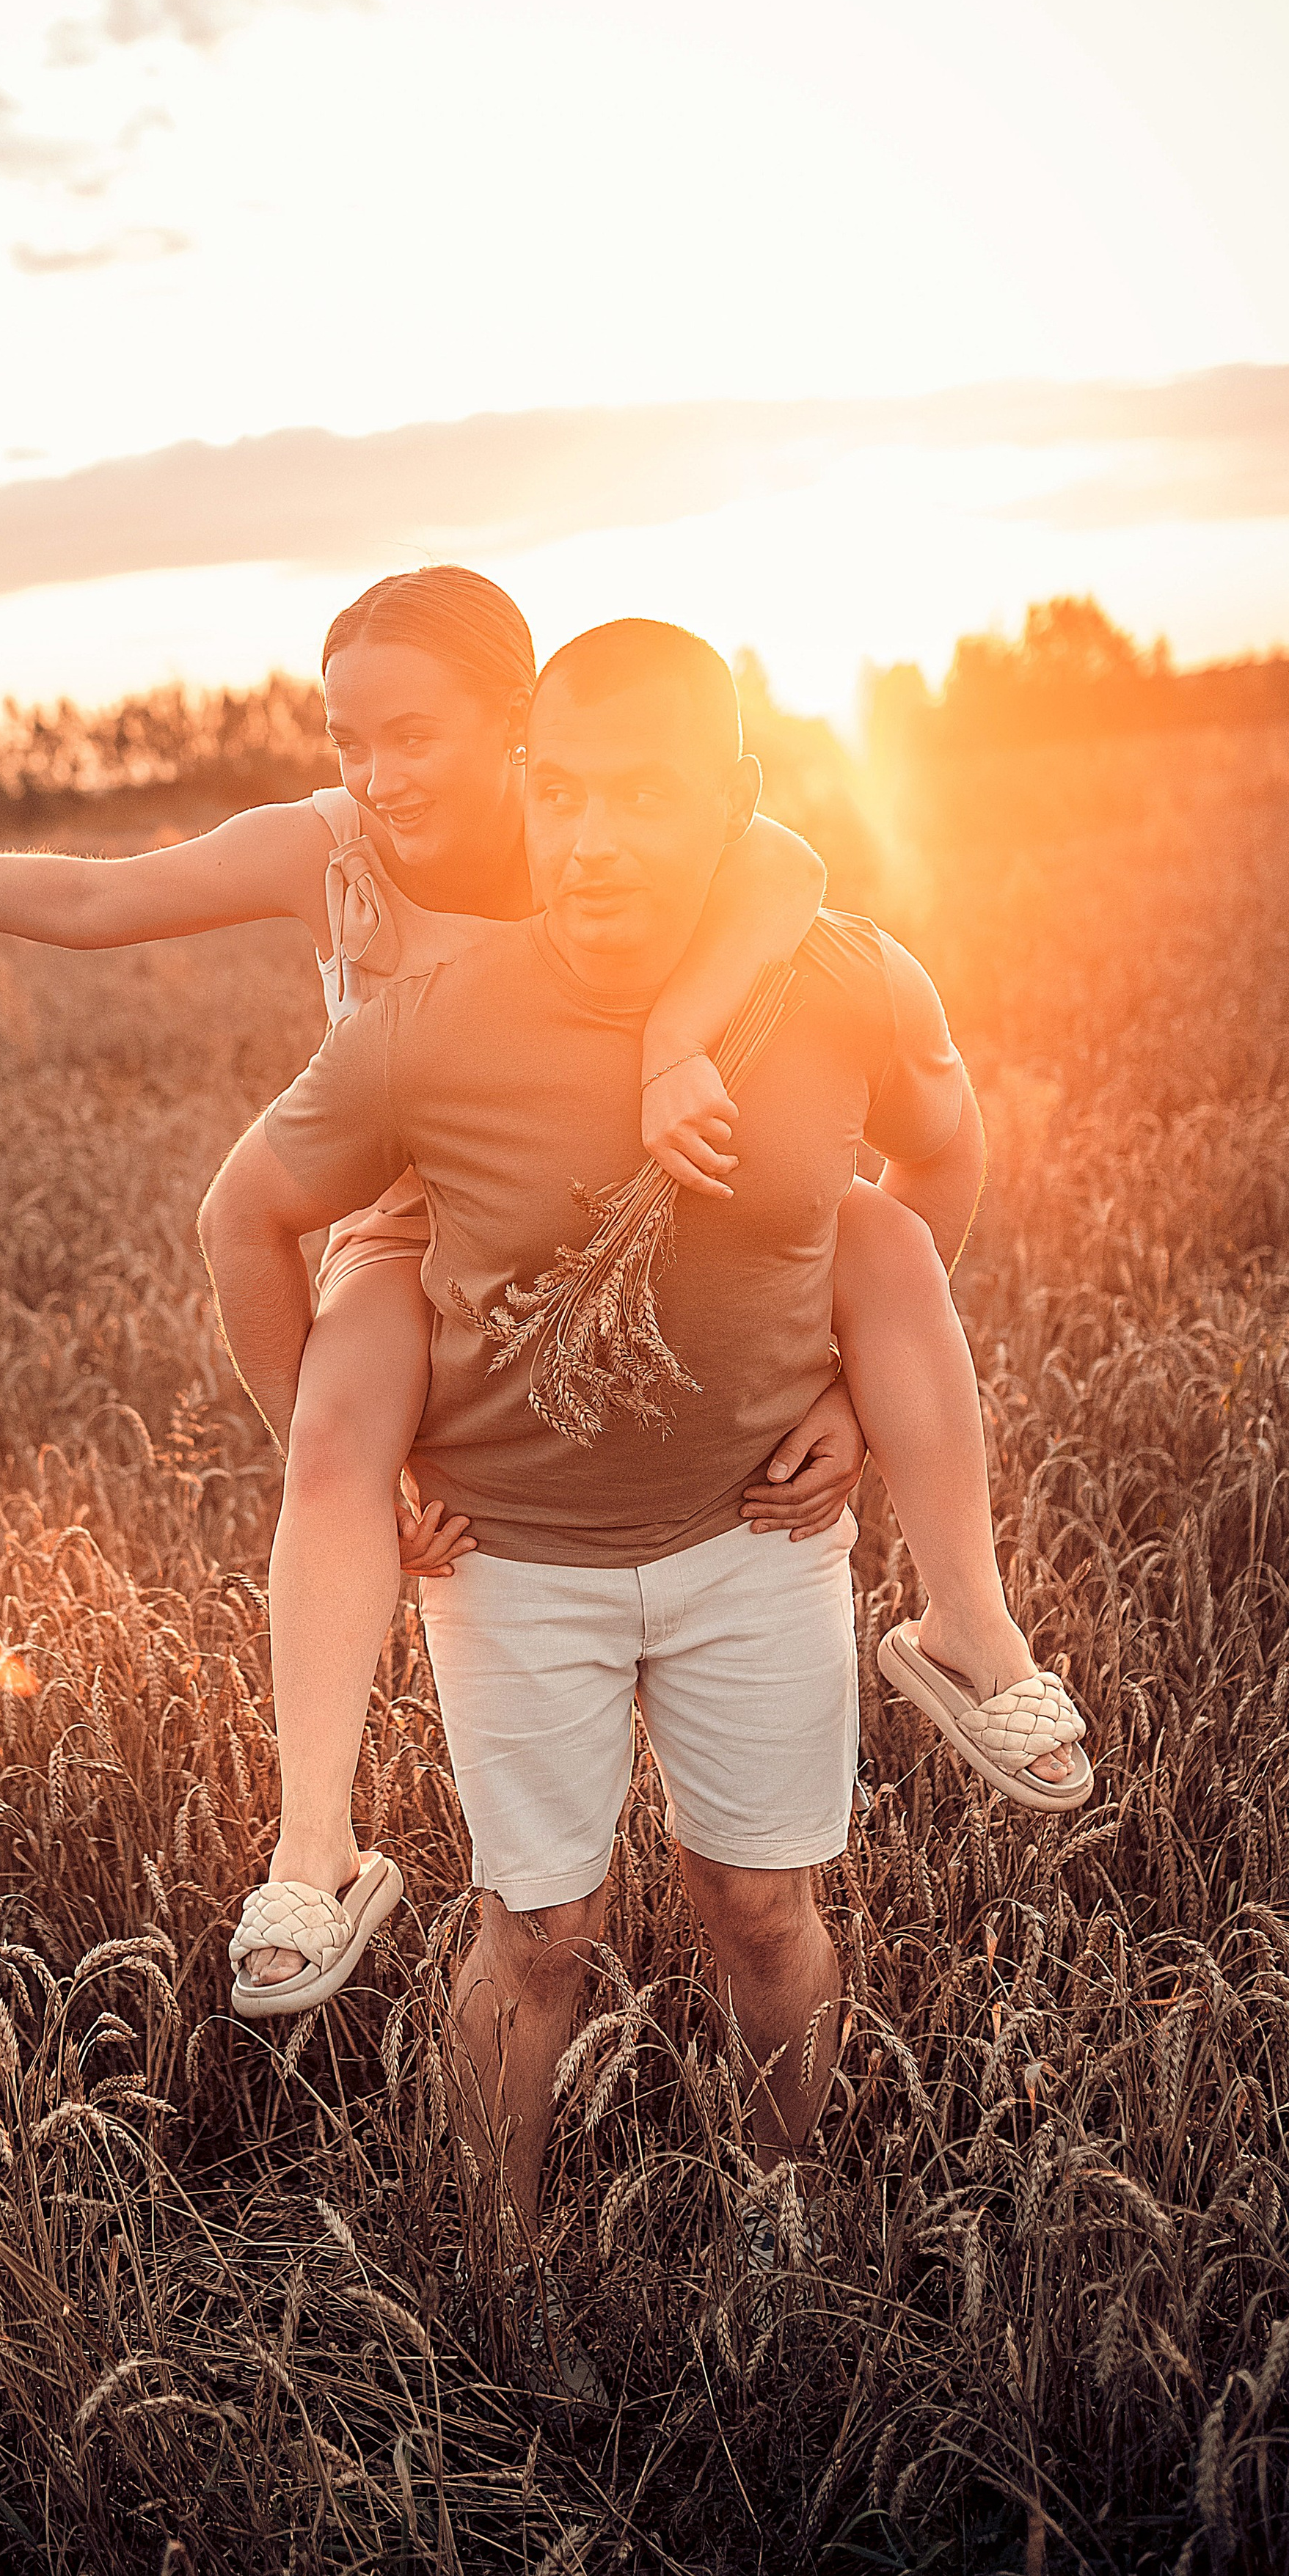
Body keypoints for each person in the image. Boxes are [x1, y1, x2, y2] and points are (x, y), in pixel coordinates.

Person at [0, 569, 1067, 2005]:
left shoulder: (590, 834)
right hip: (410, 1232)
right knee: (335, 1435)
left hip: (620, 1214)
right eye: (348, 738)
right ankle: (315, 1845)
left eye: (412, 735)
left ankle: (964, 1616)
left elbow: (778, 869)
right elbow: (109, 893)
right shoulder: (331, 844)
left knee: (877, 1242)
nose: (376, 774)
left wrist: (675, 1035)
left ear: (518, 735)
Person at [197, 619, 1089, 2246]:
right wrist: (349, 1461)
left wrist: (850, 1401)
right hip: (513, 1564)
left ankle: (785, 2230)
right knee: (537, 1932)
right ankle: (501, 2284)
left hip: (758, 1543)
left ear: (733, 800)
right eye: (565, 796)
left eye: (646, 800)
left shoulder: (842, 981)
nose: (594, 841)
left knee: (758, 1910)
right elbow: (242, 1217)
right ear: (527, 796)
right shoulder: (432, 1022)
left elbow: (935, 1168)